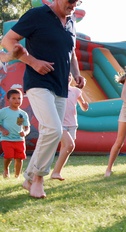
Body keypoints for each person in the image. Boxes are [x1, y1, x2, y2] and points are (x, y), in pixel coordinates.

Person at [1, 0, 86, 199]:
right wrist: (33, 62)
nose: (74, 4)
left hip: (61, 87)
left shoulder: (71, 22)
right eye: (70, 0)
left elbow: (71, 52)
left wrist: (77, 73)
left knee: (51, 133)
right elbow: (8, 40)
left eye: (77, 1)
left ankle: (28, 178)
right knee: (54, 129)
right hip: (38, 82)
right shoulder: (37, 15)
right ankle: (38, 179)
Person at [50, 73, 89, 180]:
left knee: (66, 148)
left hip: (72, 124)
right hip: (60, 123)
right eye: (65, 74)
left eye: (69, 75)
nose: (67, 77)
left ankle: (56, 172)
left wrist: (85, 106)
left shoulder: (76, 91)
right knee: (69, 145)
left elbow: (83, 105)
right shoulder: (55, 90)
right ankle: (55, 172)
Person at [0, 88, 30, 179]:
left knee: (19, 158)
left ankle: (17, 176)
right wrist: (3, 130)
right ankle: (6, 169)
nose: (17, 100)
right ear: (8, 100)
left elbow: (27, 127)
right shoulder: (3, 111)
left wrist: (24, 133)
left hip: (19, 140)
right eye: (14, 98)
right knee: (8, 156)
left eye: (19, 98)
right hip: (6, 139)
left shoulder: (23, 114)